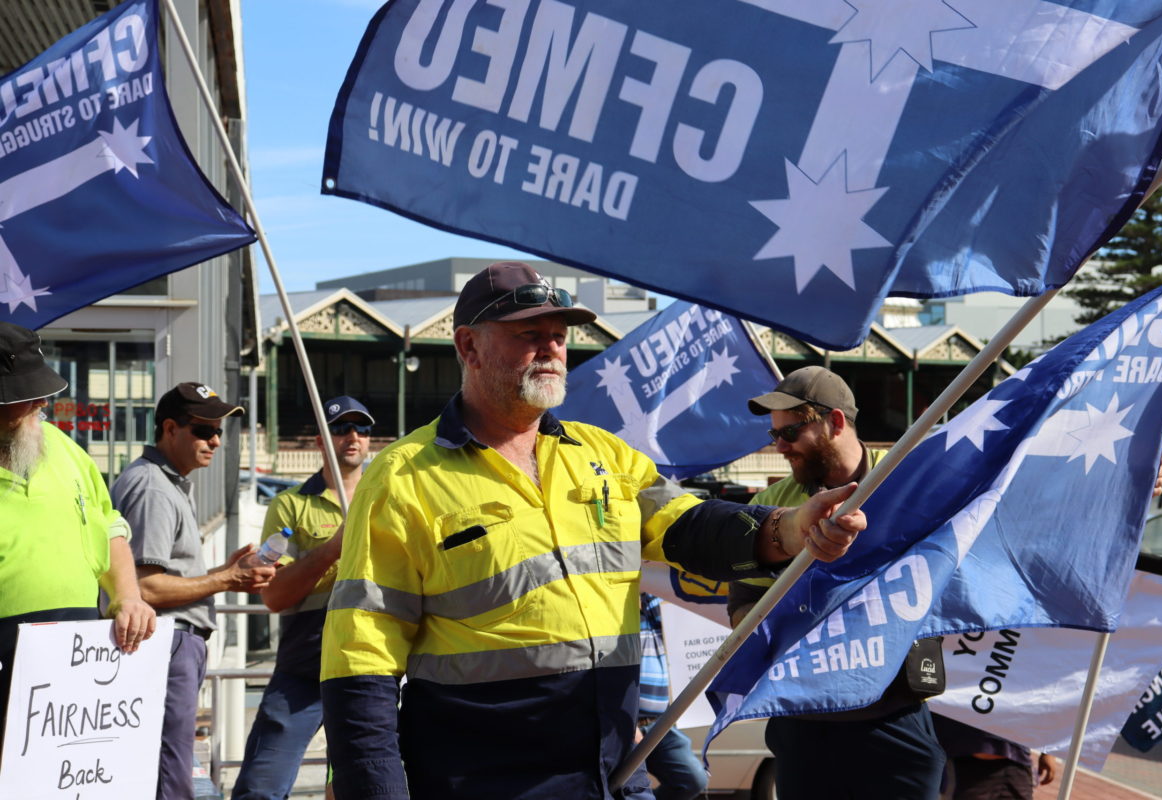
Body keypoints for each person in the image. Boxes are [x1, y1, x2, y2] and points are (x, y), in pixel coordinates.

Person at [320, 261, 868, 800]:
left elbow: (695, 527)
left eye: (558, 336)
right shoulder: (400, 478)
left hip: (610, 772)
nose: (552, 349)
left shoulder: (602, 453)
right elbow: (360, 667)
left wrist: (793, 527)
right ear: (468, 347)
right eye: (529, 334)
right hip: (480, 780)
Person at [730, 366, 946, 800]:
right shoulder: (769, 506)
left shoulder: (911, 481)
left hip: (894, 712)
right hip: (806, 719)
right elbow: (742, 605)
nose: (779, 447)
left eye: (789, 433)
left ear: (836, 422)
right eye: (774, 436)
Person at [112, 382, 276, 800]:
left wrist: (226, 570)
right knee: (170, 766)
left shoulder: (163, 482)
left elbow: (160, 576)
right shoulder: (153, 488)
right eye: (204, 430)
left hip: (168, 644)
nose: (216, 440)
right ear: (170, 429)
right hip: (165, 644)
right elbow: (145, 588)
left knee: (168, 763)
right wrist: (227, 579)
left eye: (218, 430)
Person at [0, 322, 156, 745]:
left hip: (80, 663)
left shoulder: (62, 446)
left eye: (41, 391)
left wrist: (128, 596)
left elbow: (109, 525)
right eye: (21, 395)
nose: (39, 403)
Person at [232, 396, 381, 800]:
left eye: (362, 429)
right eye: (341, 428)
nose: (353, 437)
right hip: (305, 665)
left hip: (371, 666)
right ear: (320, 440)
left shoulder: (387, 499)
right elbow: (274, 597)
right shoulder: (289, 505)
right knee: (261, 787)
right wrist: (333, 548)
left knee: (362, 787)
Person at [637, 592, 707, 800]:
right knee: (629, 789)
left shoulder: (654, 604)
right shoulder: (612, 613)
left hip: (661, 723)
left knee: (692, 780)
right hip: (624, 724)